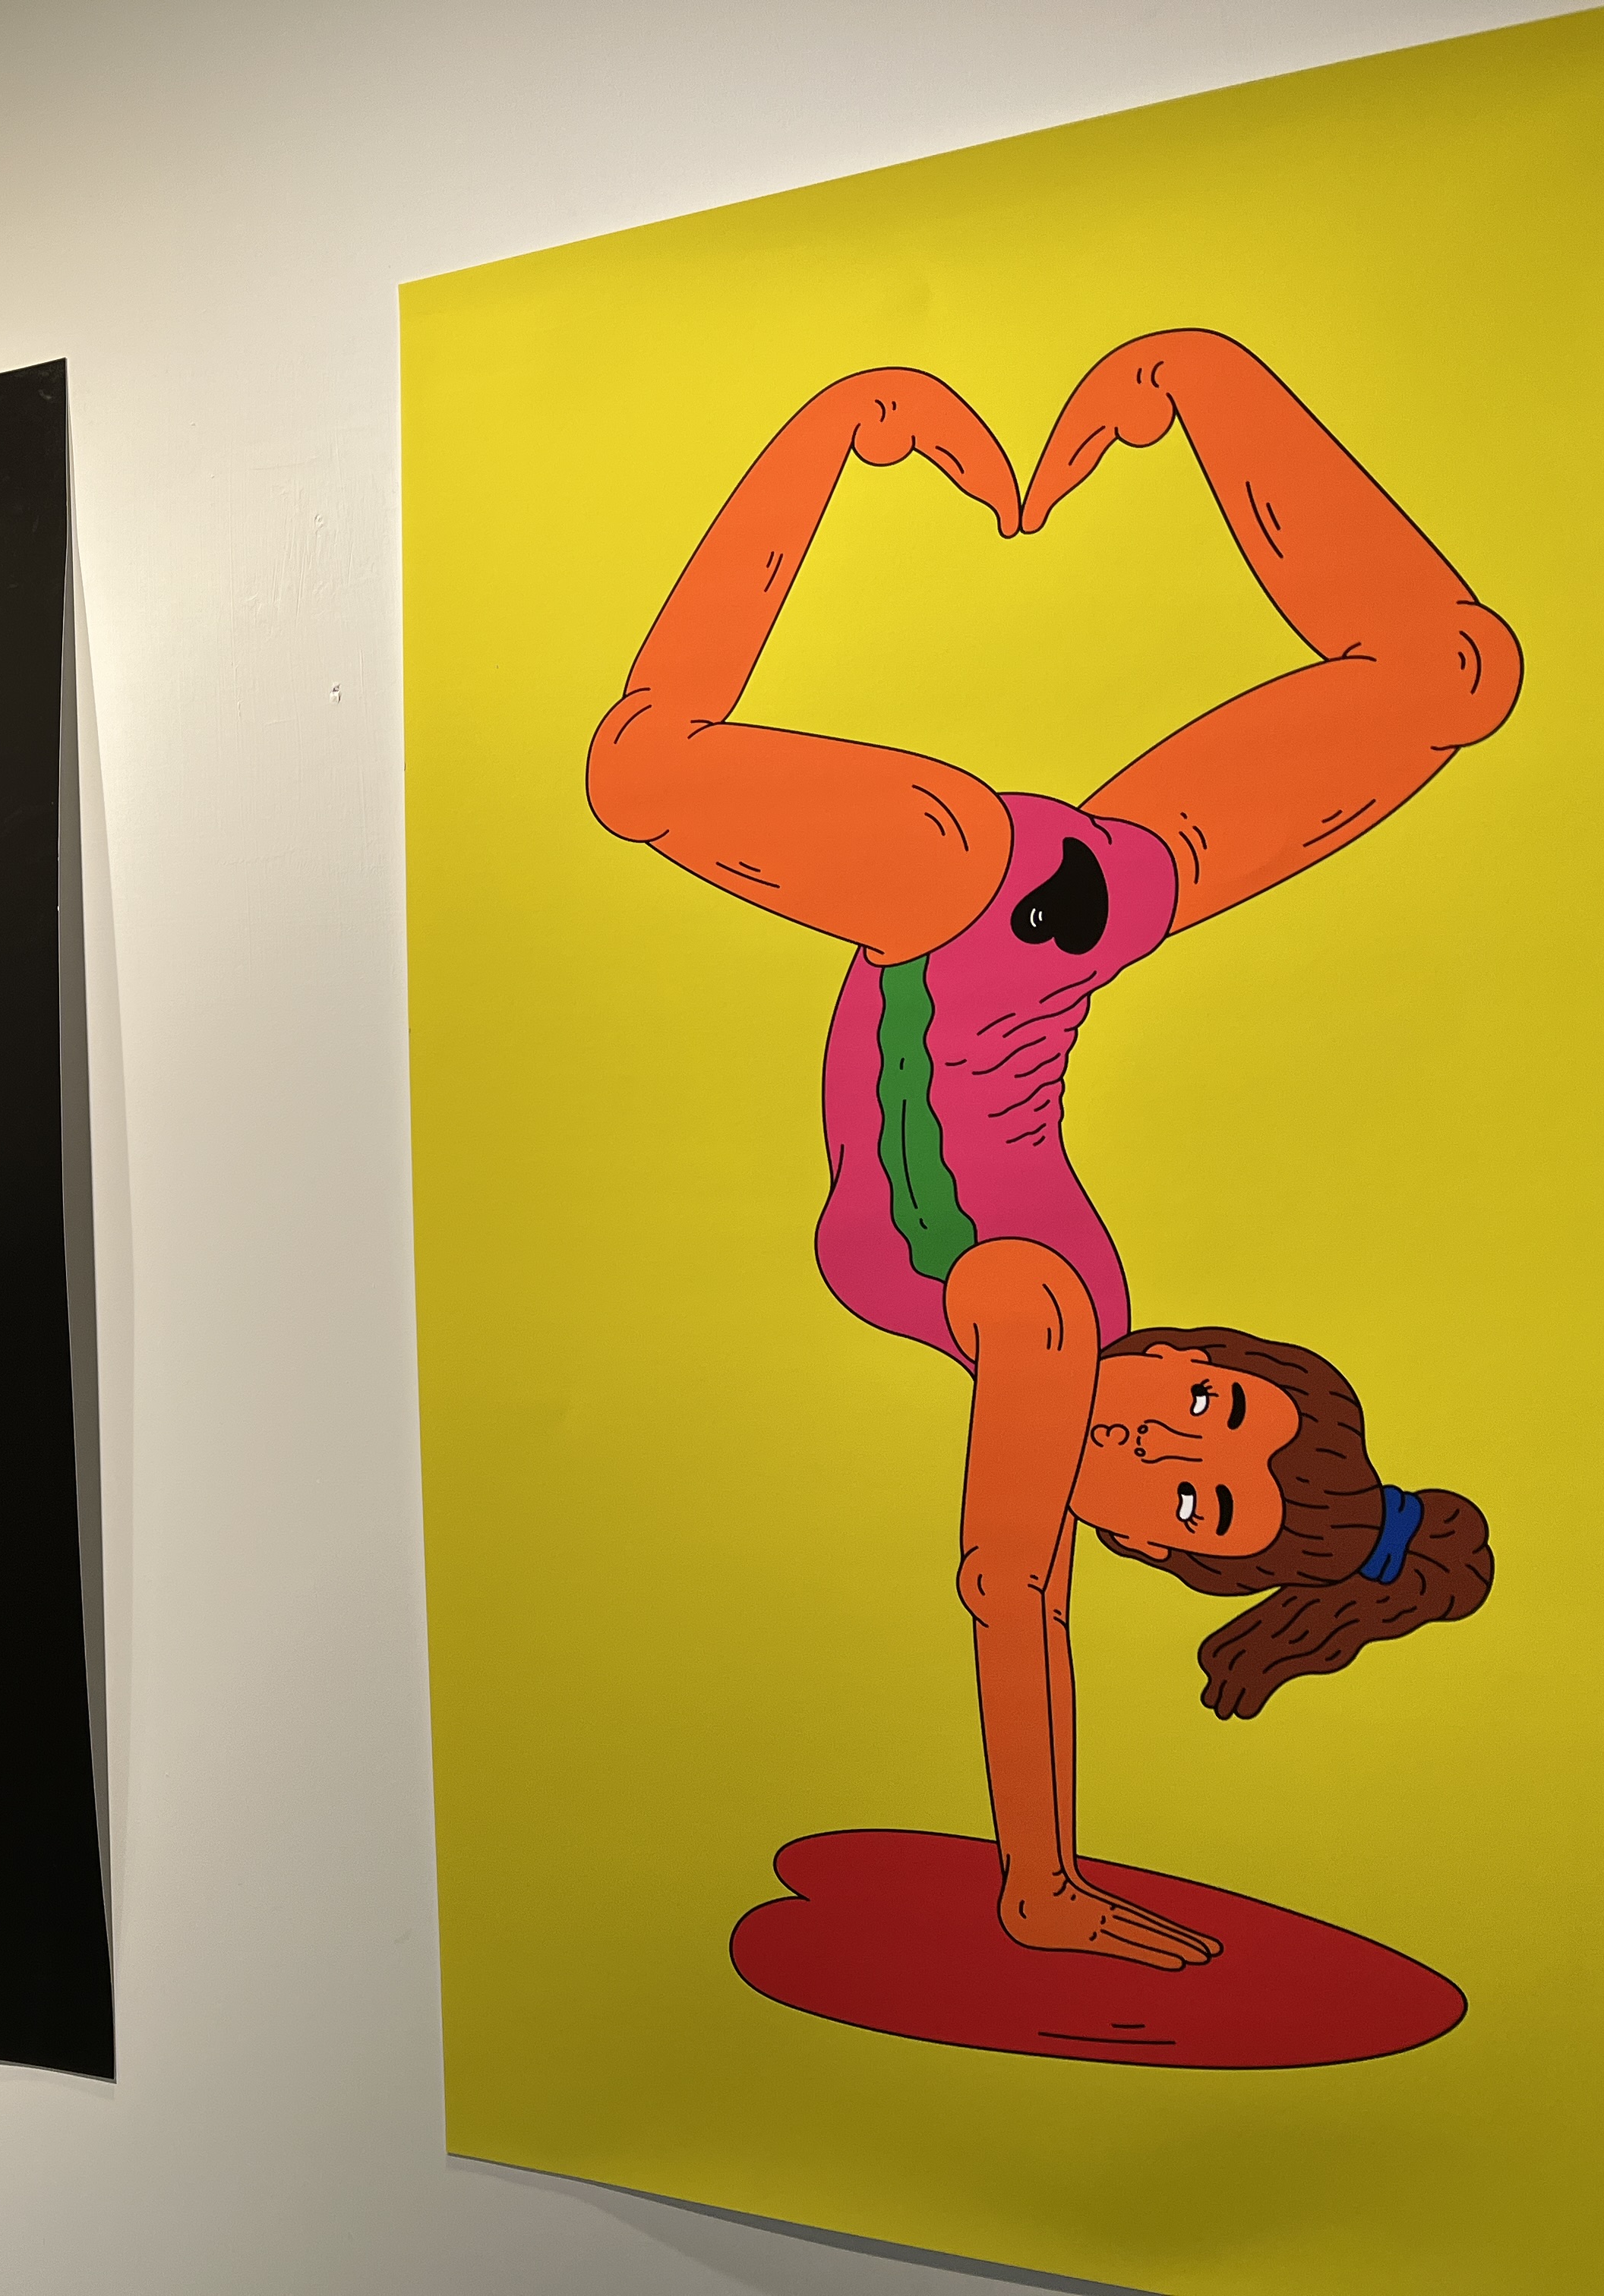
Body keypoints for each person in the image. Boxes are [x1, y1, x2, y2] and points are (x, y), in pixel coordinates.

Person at [587, 331, 1516, 1967]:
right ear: (1203, 1350)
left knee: (1454, 676)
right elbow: (1005, 1589)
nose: (1163, 1438)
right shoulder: (1041, 1321)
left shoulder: (1043, 1354)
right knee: (640, 776)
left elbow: (1022, 1558)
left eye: (1195, 1498)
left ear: (1146, 1543)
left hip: (1074, 916)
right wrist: (1041, 1884)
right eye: (1215, 1406)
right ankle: (1011, 404)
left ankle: (1174, 384)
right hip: (967, 898)